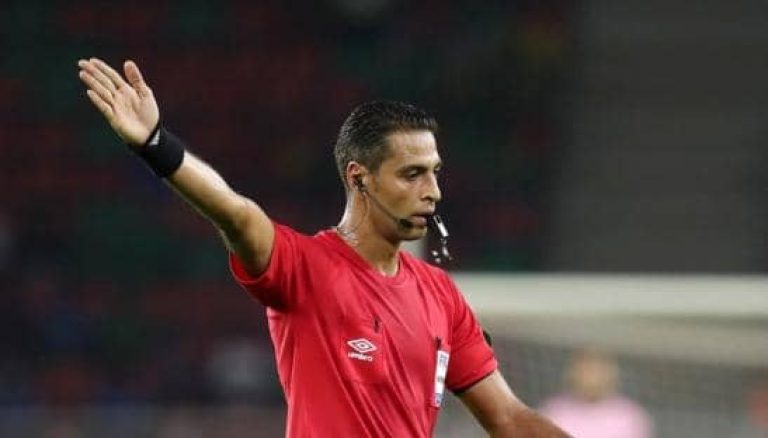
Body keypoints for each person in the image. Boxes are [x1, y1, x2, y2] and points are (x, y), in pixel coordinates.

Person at [77, 57, 570, 437]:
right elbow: (236, 212)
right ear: (359, 178)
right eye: (412, 174)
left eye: (435, 173)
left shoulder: (440, 294)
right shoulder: (305, 270)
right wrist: (156, 144)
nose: (434, 191)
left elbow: (508, 418)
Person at [540, 348, 654, 438]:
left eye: (597, 370)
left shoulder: (630, 417)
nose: (592, 377)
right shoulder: (554, 413)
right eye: (587, 370)